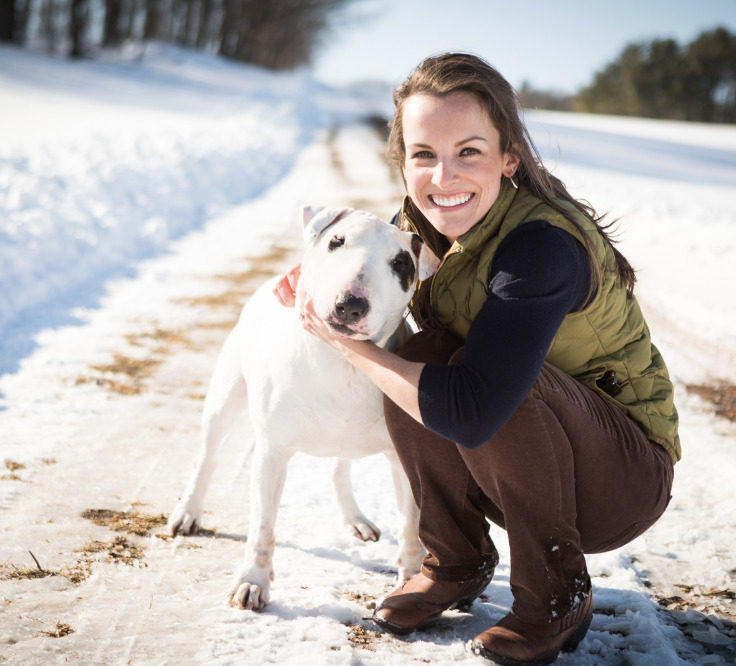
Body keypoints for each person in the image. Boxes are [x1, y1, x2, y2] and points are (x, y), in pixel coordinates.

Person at [273, 52, 679, 666]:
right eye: (423, 155)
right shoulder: (419, 224)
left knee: (470, 382)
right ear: (403, 161)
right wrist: (315, 281)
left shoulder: (541, 248)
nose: (444, 176)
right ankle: (457, 563)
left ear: (509, 157)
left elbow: (472, 412)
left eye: (469, 151)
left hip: (620, 479)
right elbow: (359, 268)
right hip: (525, 458)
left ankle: (555, 596)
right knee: (422, 353)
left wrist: (346, 345)